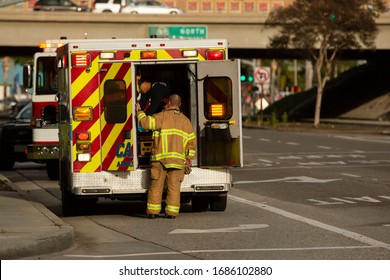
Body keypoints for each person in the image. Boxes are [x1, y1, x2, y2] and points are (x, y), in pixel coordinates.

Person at [136, 94, 196, 219]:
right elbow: (191, 144)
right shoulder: (186, 122)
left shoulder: (161, 117)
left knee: (156, 186)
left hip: (160, 159)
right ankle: (171, 213)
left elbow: (145, 124)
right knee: (174, 188)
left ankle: (153, 212)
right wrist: (188, 159)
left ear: (168, 103)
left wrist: (139, 111)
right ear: (179, 105)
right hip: (178, 161)